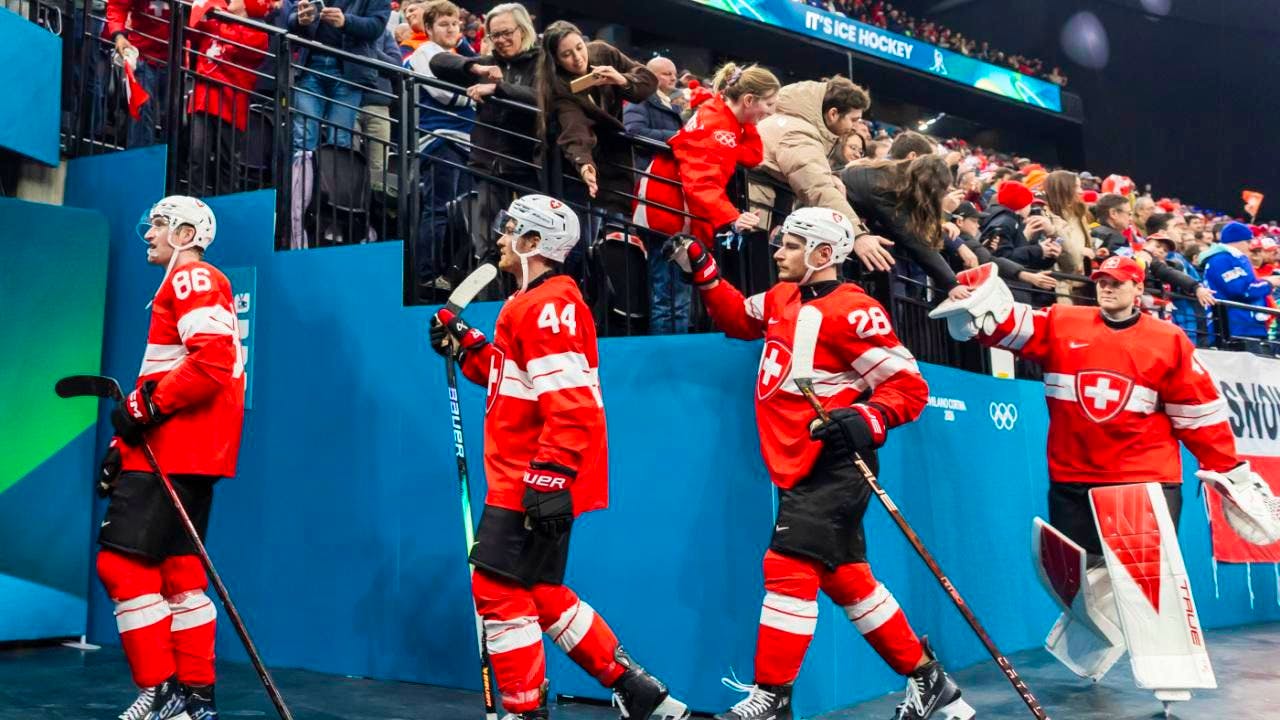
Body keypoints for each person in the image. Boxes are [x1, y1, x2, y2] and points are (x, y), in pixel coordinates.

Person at [663, 208, 972, 720]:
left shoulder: (854, 310)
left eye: (790, 245)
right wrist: (704, 271)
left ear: (823, 255)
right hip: (795, 461)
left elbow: (910, 387)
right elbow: (740, 318)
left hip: (834, 462)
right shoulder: (783, 296)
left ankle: (772, 699)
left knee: (785, 568)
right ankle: (930, 681)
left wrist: (864, 418)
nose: (778, 252)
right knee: (848, 579)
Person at [933, 256, 1280, 711]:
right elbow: (1001, 326)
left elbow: (1199, 416)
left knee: (1148, 582)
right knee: (1081, 578)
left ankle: (1172, 676)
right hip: (1073, 476)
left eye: (1117, 283)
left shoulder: (1168, 339)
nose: (1106, 288)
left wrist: (1230, 470)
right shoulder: (1061, 322)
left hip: (1143, 480)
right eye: (1101, 281)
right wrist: (970, 301)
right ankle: (1093, 649)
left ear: (1138, 289)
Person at [428, 194, 690, 720]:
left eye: (511, 232)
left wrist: (549, 476)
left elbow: (572, 403)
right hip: (530, 474)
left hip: (531, 477)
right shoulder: (530, 302)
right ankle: (642, 693)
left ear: (533, 244)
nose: (500, 240)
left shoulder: (548, 305)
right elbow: (514, 380)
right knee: (539, 591)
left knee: (498, 592)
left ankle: (526, 713)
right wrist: (469, 346)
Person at [97, 196, 245, 720]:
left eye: (157, 225)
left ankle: (161, 691)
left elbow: (213, 362)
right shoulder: (186, 285)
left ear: (185, 232)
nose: (147, 234)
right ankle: (195, 699)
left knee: (121, 563)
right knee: (180, 573)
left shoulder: (193, 279)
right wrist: (124, 443)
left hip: (173, 447)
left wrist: (147, 405)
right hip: (187, 451)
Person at [633, 62, 779, 333]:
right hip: (669, 211)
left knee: (678, 296)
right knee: (671, 297)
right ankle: (670, 360)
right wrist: (733, 218)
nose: (770, 112)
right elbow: (700, 184)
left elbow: (752, 156)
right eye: (768, 104)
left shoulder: (723, 116)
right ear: (748, 99)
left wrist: (749, 122)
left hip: (677, 209)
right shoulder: (718, 127)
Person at [430, 3, 541, 267]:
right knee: (490, 247)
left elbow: (542, 100)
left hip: (528, 168)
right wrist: (475, 69)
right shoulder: (488, 64)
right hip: (488, 167)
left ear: (523, 29)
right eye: (494, 35)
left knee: (529, 247)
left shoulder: (542, 64)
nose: (501, 40)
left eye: (506, 33)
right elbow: (438, 62)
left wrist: (498, 88)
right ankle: (491, 303)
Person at [287, 0, 392, 246]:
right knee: (303, 140)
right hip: (309, 66)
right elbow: (291, 17)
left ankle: (334, 215)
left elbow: (376, 26)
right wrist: (299, 20)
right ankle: (296, 210)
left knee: (340, 142)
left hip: (349, 71)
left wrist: (346, 22)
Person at [536, 20, 656, 217]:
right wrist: (584, 164)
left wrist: (622, 79)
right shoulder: (558, 86)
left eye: (579, 48)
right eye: (566, 55)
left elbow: (648, 79)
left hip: (616, 159)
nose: (577, 58)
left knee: (618, 228)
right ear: (556, 60)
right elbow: (574, 127)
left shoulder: (603, 52)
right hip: (577, 168)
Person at [406, 0, 477, 296]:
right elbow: (446, 95)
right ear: (429, 28)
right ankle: (427, 274)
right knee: (438, 210)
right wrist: (472, 94)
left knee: (461, 216)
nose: (451, 29)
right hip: (439, 141)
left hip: (466, 145)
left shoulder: (458, 55)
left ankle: (449, 272)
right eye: (444, 24)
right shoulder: (423, 54)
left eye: (455, 24)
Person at [748, 76, 873, 231]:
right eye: (853, 120)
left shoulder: (796, 119)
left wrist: (831, 176)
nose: (855, 127)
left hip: (763, 200)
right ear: (833, 114)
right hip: (755, 204)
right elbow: (818, 187)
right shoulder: (799, 132)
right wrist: (857, 232)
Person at [186, 0, 271, 197]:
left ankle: (226, 205)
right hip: (203, 96)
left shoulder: (259, 34)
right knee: (197, 151)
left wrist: (218, 15)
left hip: (231, 102)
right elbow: (192, 28)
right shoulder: (216, 19)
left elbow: (236, 45)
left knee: (227, 160)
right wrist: (204, 8)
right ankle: (192, 202)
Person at [1198, 221, 1280, 345]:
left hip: (1247, 327)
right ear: (1239, 241)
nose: (1250, 246)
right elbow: (1241, 290)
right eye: (1248, 242)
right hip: (1235, 328)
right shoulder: (1221, 259)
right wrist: (1268, 283)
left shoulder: (1235, 258)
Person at [106, 0, 172, 147]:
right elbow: (117, 5)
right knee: (141, 111)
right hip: (143, 56)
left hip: (174, 62)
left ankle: (165, 166)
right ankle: (139, 162)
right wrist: (119, 35)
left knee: (172, 120)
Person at [622, 56, 685, 167]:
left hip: (663, 169)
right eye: (667, 74)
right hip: (647, 171)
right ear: (651, 76)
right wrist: (675, 136)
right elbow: (633, 132)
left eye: (675, 74)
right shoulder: (640, 100)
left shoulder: (669, 103)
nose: (674, 78)